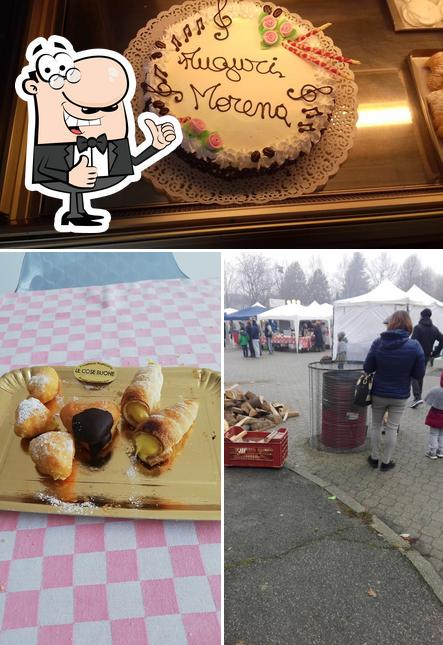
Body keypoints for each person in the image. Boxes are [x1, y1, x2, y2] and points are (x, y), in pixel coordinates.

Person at [363, 310, 425, 472]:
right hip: (400, 395)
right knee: (392, 427)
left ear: (391, 324)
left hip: (378, 393)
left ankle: (374, 458)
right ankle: (386, 462)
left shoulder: (378, 342)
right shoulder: (415, 345)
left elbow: (368, 367)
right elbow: (419, 374)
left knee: (376, 425)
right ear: (409, 326)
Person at [410, 308, 443, 408]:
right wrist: (435, 352)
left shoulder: (417, 328)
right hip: (427, 355)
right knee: (420, 375)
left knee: (413, 375)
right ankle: (418, 396)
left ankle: (417, 397)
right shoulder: (434, 328)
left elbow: (413, 342)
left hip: (416, 355)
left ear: (421, 316)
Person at [423, 372, 443, 459]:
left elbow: (427, 400)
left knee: (433, 434)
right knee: (442, 434)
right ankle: (441, 451)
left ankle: (432, 452)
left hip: (435, 416)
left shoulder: (436, 390)